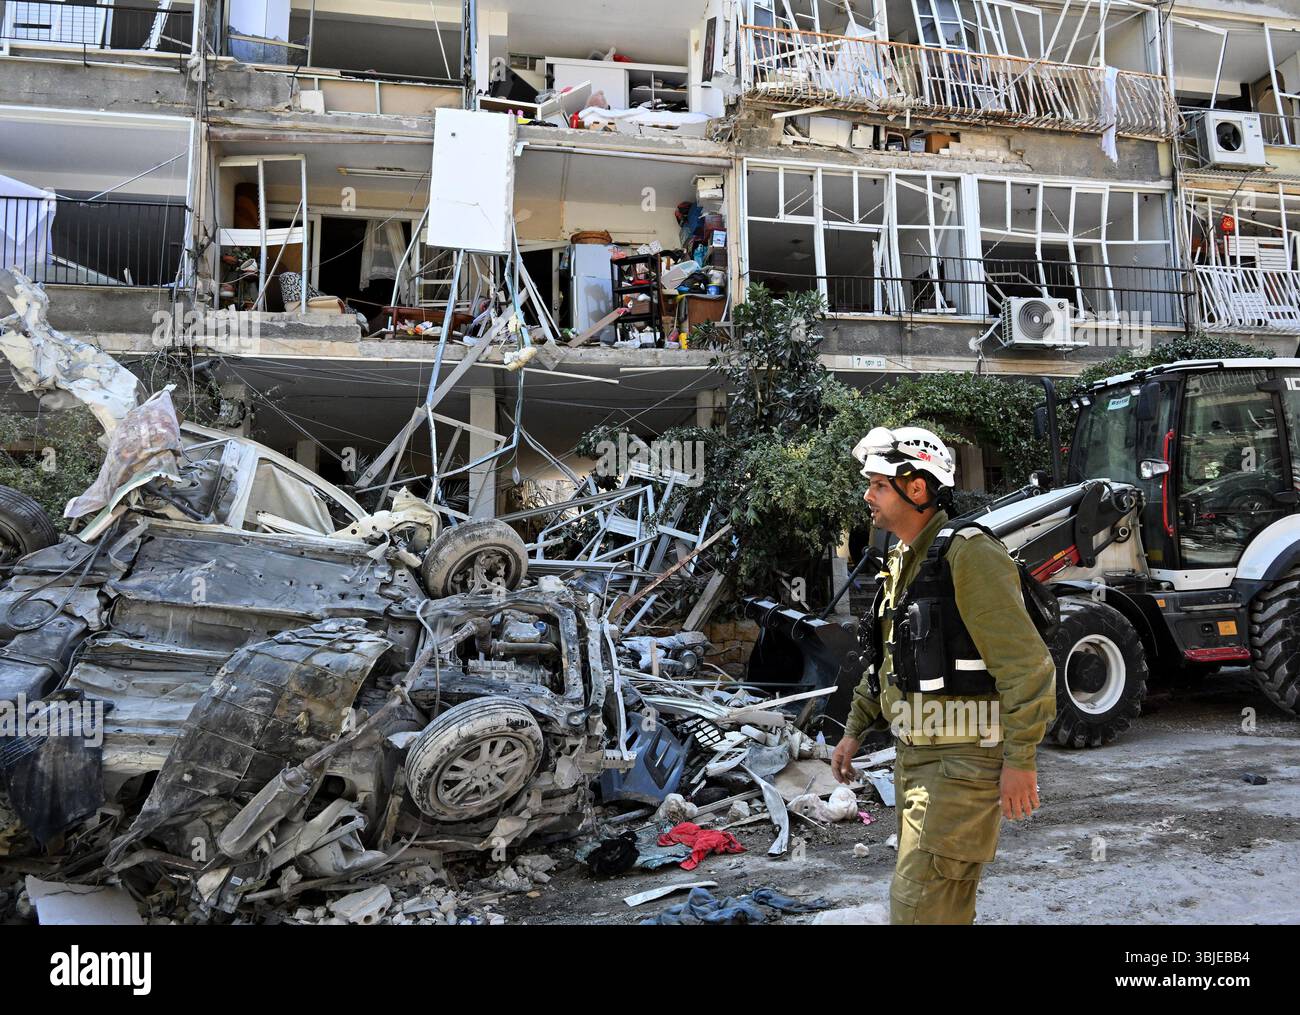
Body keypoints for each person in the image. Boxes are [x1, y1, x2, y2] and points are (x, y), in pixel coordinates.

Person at [830, 426, 1055, 925]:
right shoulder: (904, 561)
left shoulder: (969, 554)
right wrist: (852, 731)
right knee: (937, 905)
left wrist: (1021, 761)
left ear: (917, 488)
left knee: (919, 908)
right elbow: (886, 662)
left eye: (878, 485)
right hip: (920, 754)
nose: (867, 495)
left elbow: (1027, 666)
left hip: (961, 761)